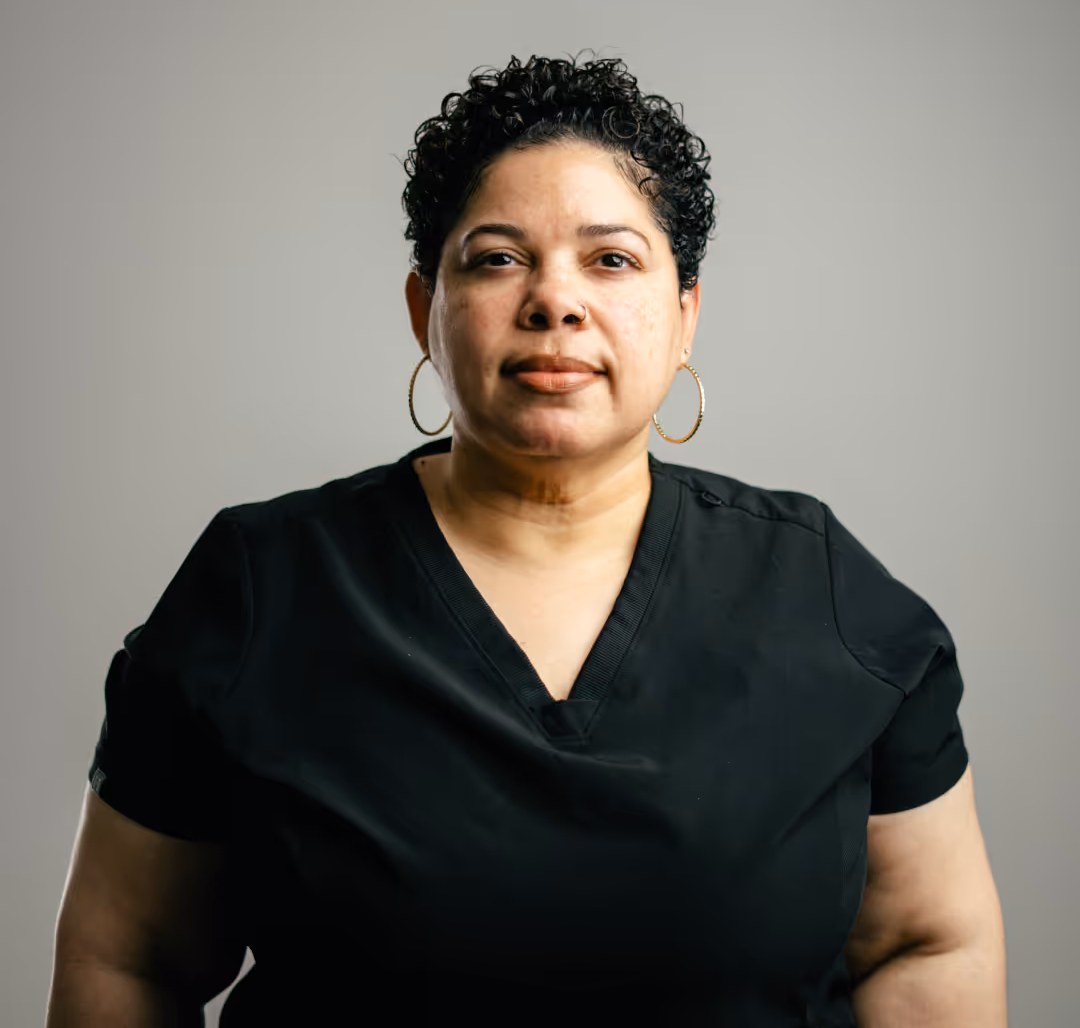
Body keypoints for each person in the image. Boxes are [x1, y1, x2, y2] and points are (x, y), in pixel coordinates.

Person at [48, 53, 1007, 1026]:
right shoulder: (260, 593)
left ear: (685, 319)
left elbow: (926, 939)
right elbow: (126, 956)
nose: (556, 301)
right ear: (426, 312)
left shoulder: (825, 595)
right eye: (499, 258)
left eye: (612, 259)